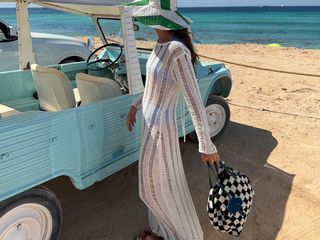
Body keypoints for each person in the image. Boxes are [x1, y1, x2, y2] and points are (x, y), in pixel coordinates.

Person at [125, 0, 220, 239]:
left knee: (151, 189)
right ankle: (161, 232)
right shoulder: (160, 43)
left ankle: (182, 235)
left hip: (161, 130)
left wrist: (206, 144)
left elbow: (194, 99)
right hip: (149, 127)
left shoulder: (177, 50)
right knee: (159, 186)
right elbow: (153, 86)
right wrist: (135, 106)